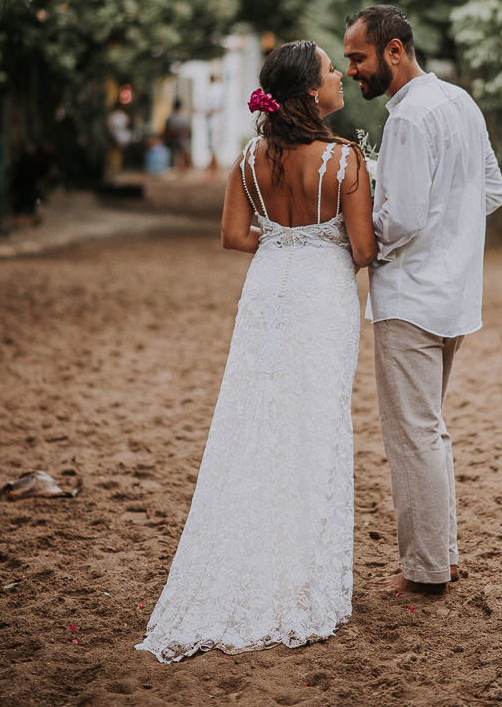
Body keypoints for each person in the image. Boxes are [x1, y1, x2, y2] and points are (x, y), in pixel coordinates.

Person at [136, 40, 377, 662]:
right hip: (324, 295)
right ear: (308, 93)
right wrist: (319, 246)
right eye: (331, 71)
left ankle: (246, 557)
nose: (339, 79)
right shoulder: (344, 159)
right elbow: (363, 250)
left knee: (254, 419)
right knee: (316, 424)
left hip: (268, 289)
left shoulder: (249, 158)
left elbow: (233, 236)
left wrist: (284, 244)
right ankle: (301, 576)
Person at [343, 4, 502, 596]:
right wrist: (450, 227)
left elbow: (403, 219)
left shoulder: (410, 117)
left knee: (411, 434)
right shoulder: (460, 101)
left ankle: (426, 570)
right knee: (429, 430)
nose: (352, 69)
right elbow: (492, 189)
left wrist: (360, 239)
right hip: (455, 293)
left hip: (411, 297)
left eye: (358, 58)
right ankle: (445, 555)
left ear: (394, 50)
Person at [163, 98, 192, 171]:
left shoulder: (171, 118)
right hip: (182, 141)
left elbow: (167, 131)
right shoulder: (184, 117)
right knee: (182, 150)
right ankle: (183, 167)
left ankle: (178, 166)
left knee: (177, 153)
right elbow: (188, 130)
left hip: (174, 141)